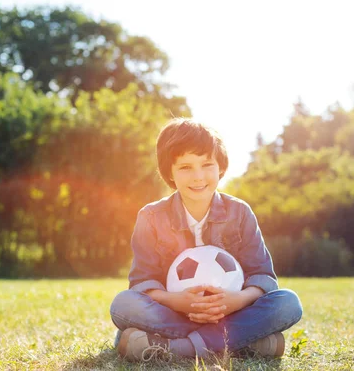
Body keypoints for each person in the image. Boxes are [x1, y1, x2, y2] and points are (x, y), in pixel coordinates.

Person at [110, 118, 303, 362]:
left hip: (232, 313)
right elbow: (141, 282)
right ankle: (245, 343)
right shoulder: (151, 217)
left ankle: (173, 348)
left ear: (220, 167)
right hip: (173, 312)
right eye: (185, 167)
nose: (198, 176)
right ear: (169, 171)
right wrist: (178, 302)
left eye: (206, 164)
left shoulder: (240, 213)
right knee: (123, 305)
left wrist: (236, 301)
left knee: (287, 303)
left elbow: (263, 276)